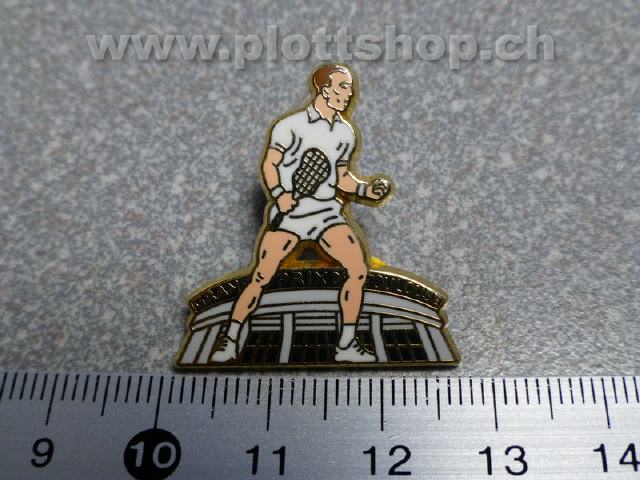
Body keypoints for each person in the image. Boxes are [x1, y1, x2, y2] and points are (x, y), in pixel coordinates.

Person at [211, 64, 391, 363]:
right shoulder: (290, 126)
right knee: (261, 276)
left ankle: (346, 345)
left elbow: (341, 178)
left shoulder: (345, 133)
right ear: (324, 88)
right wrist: (280, 194)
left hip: (327, 214)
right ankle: (230, 340)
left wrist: (364, 190)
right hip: (290, 216)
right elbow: (270, 164)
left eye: (350, 87)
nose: (350, 93)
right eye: (343, 86)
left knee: (358, 269)